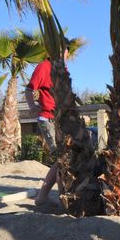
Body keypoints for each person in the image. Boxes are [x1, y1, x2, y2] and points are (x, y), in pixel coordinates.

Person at [25, 44, 69, 206]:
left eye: (66, 50)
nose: (64, 53)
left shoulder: (64, 70)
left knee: (63, 158)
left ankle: (44, 196)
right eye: (62, 50)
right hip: (48, 118)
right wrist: (31, 106)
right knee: (62, 158)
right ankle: (59, 197)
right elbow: (29, 89)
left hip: (62, 120)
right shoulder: (44, 67)